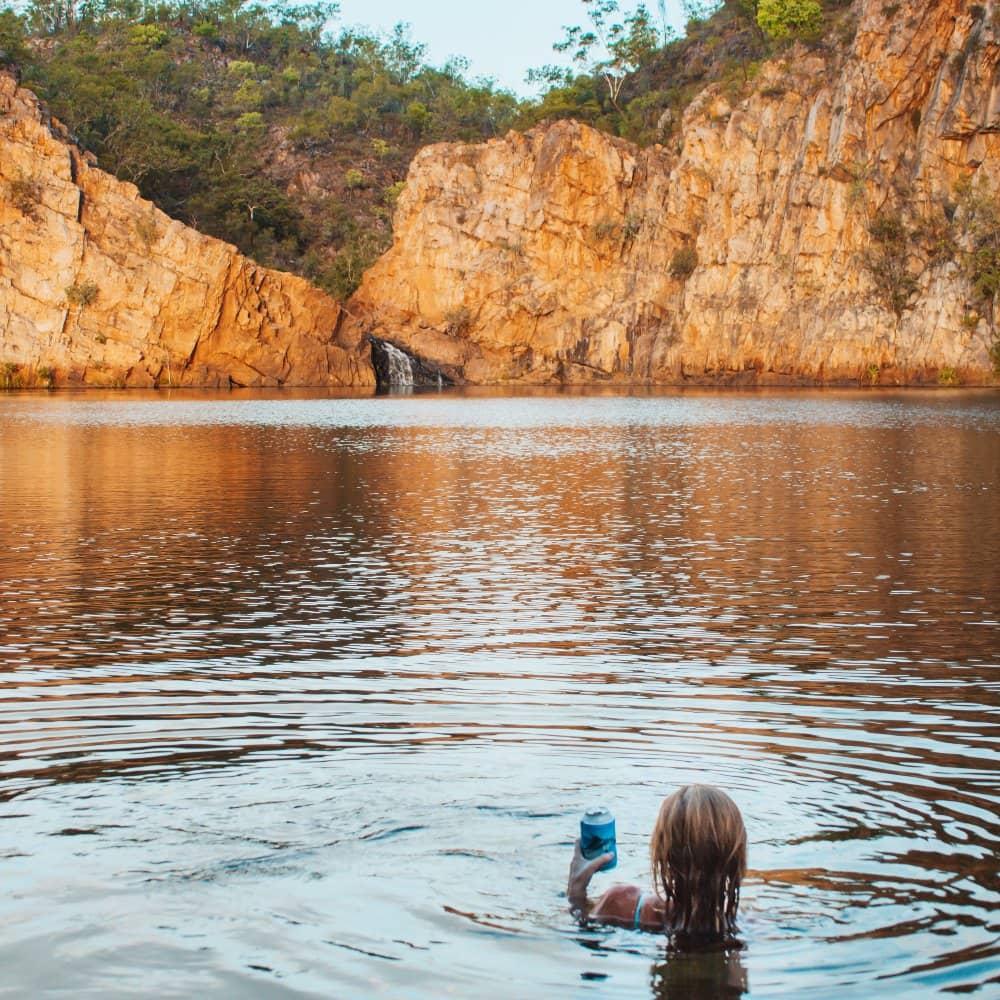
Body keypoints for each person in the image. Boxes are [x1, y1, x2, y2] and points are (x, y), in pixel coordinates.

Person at [567, 785, 747, 938]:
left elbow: (581, 932)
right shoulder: (745, 923)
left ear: (663, 852)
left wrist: (576, 892)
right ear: (736, 858)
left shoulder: (622, 903)